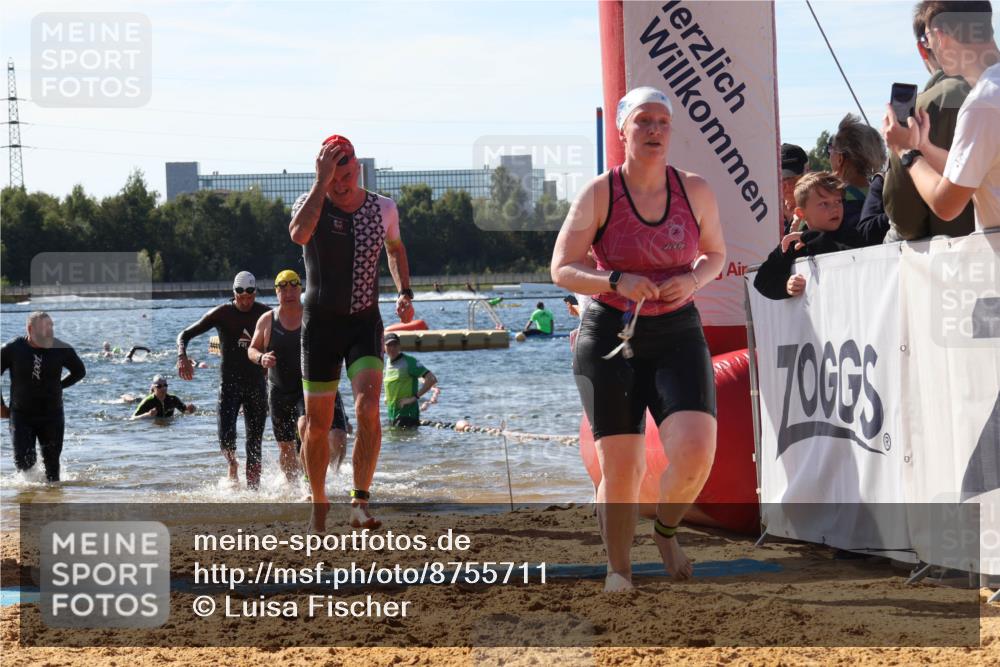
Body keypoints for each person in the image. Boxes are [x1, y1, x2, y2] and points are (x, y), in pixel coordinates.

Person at [551, 86, 726, 591]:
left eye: (662, 123)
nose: (653, 130)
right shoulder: (600, 193)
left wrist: (692, 279)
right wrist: (615, 280)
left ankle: (667, 530)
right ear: (622, 131)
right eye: (643, 121)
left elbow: (714, 254)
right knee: (622, 469)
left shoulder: (694, 189)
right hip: (611, 334)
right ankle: (619, 571)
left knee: (695, 452)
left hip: (676, 331)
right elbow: (561, 268)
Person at [289, 134, 413, 531]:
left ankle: (360, 503)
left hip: (364, 321)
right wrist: (319, 184)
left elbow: (395, 249)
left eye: (344, 177)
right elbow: (298, 235)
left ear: (356, 169)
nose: (339, 186)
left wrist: (404, 290)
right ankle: (319, 502)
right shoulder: (311, 204)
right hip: (320, 327)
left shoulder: (384, 208)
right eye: (331, 179)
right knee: (319, 424)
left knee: (368, 409)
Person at [885, 1, 999, 230]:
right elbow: (976, 173)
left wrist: (906, 152)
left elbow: (946, 204)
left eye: (927, 39)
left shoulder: (982, 103)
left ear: (941, 35)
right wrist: (925, 147)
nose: (930, 47)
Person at [247, 269, 349, 483]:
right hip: (279, 391)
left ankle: (323, 477)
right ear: (276, 292)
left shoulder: (313, 315)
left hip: (310, 387)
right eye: (283, 288)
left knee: (319, 432)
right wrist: (261, 358)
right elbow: (252, 349)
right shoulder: (267, 320)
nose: (289, 292)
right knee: (285, 447)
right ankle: (296, 486)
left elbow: (337, 339)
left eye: (293, 287)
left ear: (301, 289)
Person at [176, 271, 270, 489]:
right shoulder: (222, 314)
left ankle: (253, 490)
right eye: (241, 297)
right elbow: (185, 334)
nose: (245, 302)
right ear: (234, 293)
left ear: (255, 293)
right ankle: (233, 464)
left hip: (256, 384)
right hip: (229, 385)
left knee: (254, 442)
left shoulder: (265, 314)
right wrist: (182, 356)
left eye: (250, 296)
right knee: (226, 437)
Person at [0, 312, 86, 482]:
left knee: (53, 467)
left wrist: (58, 386)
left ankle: (53, 503)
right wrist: (1, 405)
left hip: (52, 414)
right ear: (30, 329)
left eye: (51, 326)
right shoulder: (12, 349)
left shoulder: (62, 349)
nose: (50, 331)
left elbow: (79, 372)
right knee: (24, 464)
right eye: (45, 327)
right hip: (21, 415)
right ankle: (28, 503)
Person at [753, 172, 854, 300]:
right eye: (824, 203)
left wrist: (813, 238)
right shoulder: (793, 243)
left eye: (838, 201)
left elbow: (853, 260)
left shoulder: (851, 234)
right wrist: (786, 285)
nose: (835, 208)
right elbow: (762, 280)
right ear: (801, 213)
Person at [826, 114, 888, 245]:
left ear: (840, 158)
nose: (828, 156)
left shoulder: (825, 201)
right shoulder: (886, 194)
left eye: (830, 150)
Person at [383, 333, 437, 428]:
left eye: (395, 345)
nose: (392, 348)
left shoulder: (409, 361)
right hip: (392, 414)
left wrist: (413, 398)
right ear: (384, 347)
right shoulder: (387, 362)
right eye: (389, 345)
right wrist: (386, 397)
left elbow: (431, 379)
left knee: (404, 441)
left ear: (399, 346)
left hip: (407, 416)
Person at [781, 143, 810, 235]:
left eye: (793, 177)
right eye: (782, 179)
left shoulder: (820, 208)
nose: (788, 185)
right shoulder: (767, 214)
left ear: (807, 172)